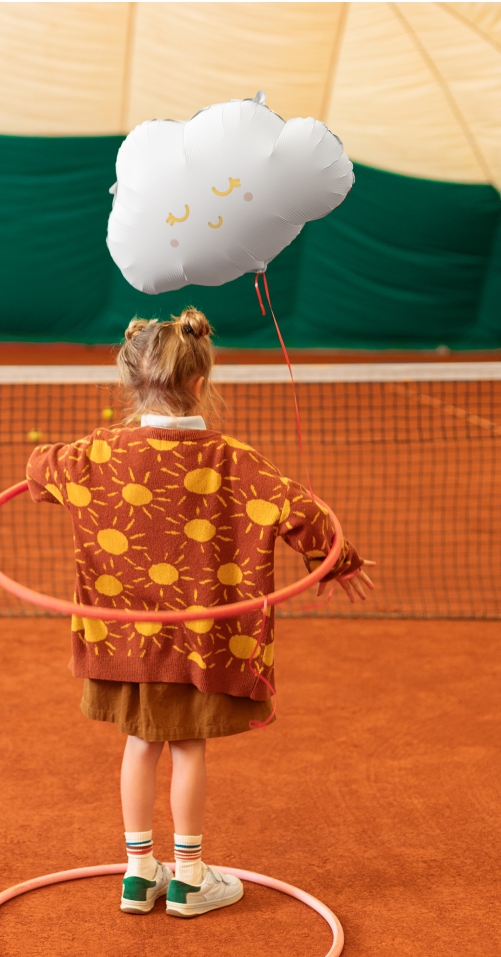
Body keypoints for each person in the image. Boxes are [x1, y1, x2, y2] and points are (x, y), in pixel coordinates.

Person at [27, 307, 374, 918]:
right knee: (186, 747)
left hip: (126, 644)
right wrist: (339, 562)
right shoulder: (238, 459)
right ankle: (188, 878)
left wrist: (57, 477)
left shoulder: (94, 455)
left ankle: (139, 874)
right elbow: (304, 513)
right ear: (200, 382)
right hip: (202, 643)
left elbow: (39, 467)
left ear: (132, 382)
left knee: (139, 742)